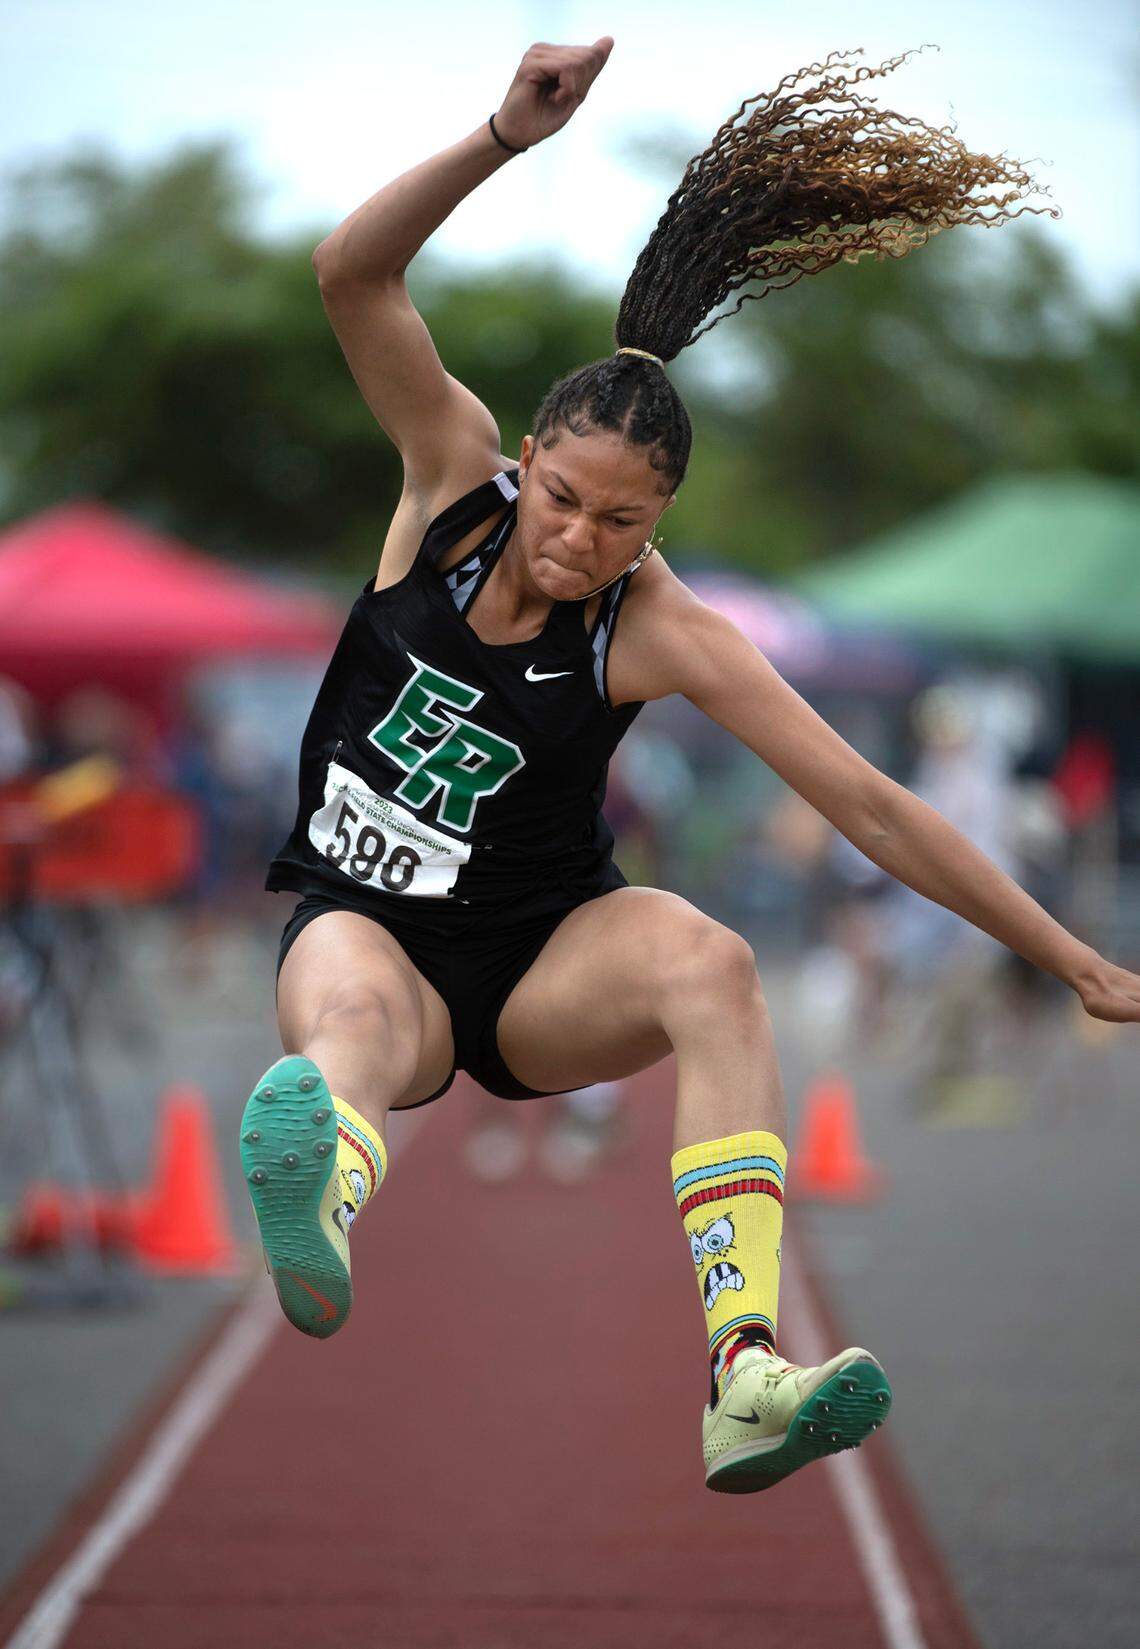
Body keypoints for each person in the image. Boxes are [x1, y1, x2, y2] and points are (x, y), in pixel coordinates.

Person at [239, 38, 1140, 1495]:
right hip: (370, 937)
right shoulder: (450, 482)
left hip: (543, 969)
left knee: (713, 960)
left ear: (665, 518)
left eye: (625, 523)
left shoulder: (661, 629)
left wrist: (1071, 958)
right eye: (569, 499)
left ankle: (744, 1371)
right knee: (346, 1002)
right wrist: (500, 137)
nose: (582, 541)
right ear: (527, 456)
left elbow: (869, 801)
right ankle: (322, 1176)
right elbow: (354, 276)